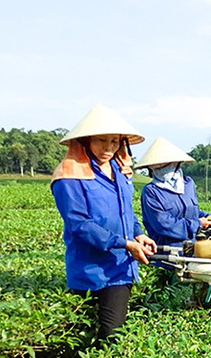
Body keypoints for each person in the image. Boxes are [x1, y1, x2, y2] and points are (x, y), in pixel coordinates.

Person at [50, 104, 156, 341]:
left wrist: (138, 233)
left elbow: (125, 212)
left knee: (112, 334)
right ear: (85, 141)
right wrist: (125, 244)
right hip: (89, 267)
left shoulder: (120, 172)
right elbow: (79, 224)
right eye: (101, 141)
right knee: (82, 336)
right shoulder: (69, 176)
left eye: (115, 142)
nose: (109, 148)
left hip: (120, 268)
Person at [135, 137, 211, 247]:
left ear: (176, 163)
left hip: (193, 248)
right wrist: (197, 225)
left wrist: (208, 217)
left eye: (165, 164)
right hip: (167, 252)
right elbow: (163, 224)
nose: (160, 168)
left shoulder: (187, 184)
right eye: (156, 167)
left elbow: (191, 211)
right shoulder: (151, 192)